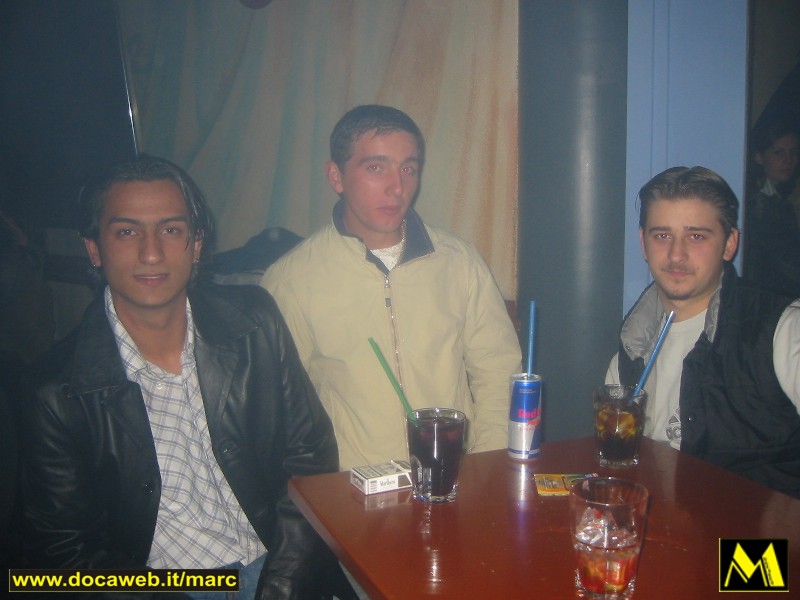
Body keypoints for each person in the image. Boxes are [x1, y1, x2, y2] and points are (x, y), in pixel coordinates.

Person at [21, 156, 353, 599]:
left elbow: (310, 458)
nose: (151, 253)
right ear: (94, 249)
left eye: (171, 230)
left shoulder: (254, 323)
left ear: (196, 244)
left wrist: (283, 584)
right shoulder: (57, 392)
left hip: (282, 565)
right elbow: (66, 551)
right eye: (127, 232)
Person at [262, 105, 522, 470]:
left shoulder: (458, 261)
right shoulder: (290, 280)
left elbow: (497, 368)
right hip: (351, 485)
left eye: (408, 169)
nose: (397, 188)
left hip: (453, 475)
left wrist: (486, 463)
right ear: (336, 176)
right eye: (375, 168)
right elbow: (281, 407)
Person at [606, 166, 800, 498]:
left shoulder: (781, 328)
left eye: (696, 236)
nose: (676, 254)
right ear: (643, 243)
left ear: (729, 243)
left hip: (759, 528)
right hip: (658, 522)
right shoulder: (631, 348)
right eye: (662, 235)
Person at [743, 121, 800, 297]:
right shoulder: (756, 203)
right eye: (779, 152)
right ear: (759, 157)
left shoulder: (781, 198)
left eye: (794, 152)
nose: (788, 160)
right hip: (765, 296)